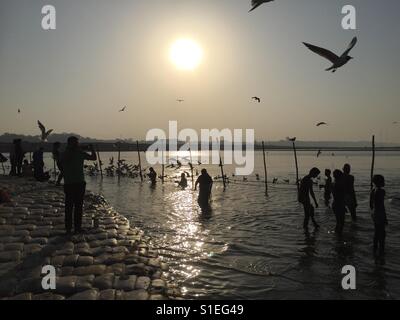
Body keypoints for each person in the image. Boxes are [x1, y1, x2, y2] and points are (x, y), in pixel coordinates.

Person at [61, 137, 97, 234]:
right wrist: (75, 150)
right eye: (75, 143)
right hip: (70, 183)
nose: (77, 145)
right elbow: (64, 160)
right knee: (69, 207)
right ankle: (69, 228)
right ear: (69, 144)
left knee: (78, 206)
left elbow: (93, 158)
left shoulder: (79, 152)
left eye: (77, 143)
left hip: (79, 182)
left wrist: (92, 149)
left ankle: (77, 227)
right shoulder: (66, 153)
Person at [370, 175, 388, 257]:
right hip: (380, 214)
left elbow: (371, 205)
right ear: (380, 182)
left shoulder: (372, 191)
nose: (384, 182)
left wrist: (374, 212)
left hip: (374, 213)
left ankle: (374, 248)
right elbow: (382, 206)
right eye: (383, 181)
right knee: (382, 233)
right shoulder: (381, 191)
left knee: (376, 232)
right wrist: (385, 218)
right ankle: (381, 250)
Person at [332, 170, 346, 236]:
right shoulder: (339, 184)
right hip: (339, 204)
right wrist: (343, 206)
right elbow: (340, 197)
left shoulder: (334, 183)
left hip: (335, 204)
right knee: (341, 223)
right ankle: (339, 236)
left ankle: (337, 236)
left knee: (338, 222)